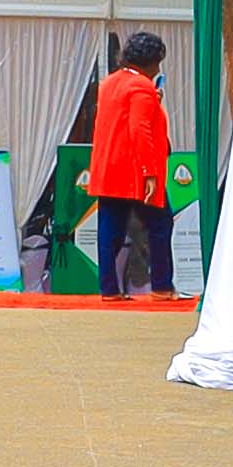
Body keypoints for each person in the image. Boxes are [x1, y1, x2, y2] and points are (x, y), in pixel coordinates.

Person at [83, 32, 177, 300]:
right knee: (160, 225)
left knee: (109, 230)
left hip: (108, 169)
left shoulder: (110, 83)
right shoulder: (142, 87)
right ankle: (161, 286)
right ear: (150, 62)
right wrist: (149, 173)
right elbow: (140, 130)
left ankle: (109, 289)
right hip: (134, 172)